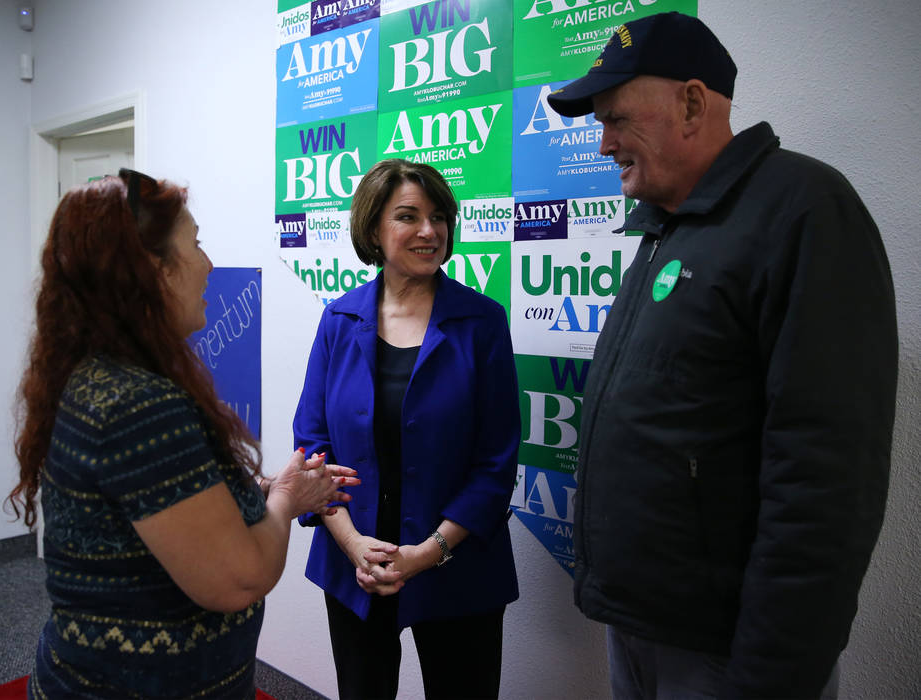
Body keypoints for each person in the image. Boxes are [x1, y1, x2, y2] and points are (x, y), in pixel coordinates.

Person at [545, 11, 898, 699]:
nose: (603, 142)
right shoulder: (665, 230)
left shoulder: (804, 211)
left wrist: (772, 671)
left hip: (728, 655)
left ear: (693, 102)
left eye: (616, 117)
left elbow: (825, 478)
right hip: (641, 631)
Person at [9, 169, 359, 699]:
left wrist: (258, 491)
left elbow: (159, 506)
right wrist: (286, 501)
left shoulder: (97, 375)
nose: (208, 265)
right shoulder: (139, 404)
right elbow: (237, 579)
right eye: (194, 245)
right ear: (152, 270)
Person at [292, 159, 520, 699]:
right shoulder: (339, 319)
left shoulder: (481, 320)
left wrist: (428, 552)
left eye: (438, 216)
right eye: (408, 216)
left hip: (457, 565)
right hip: (356, 566)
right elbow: (312, 445)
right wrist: (351, 544)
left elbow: (496, 461)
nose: (428, 231)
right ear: (373, 228)